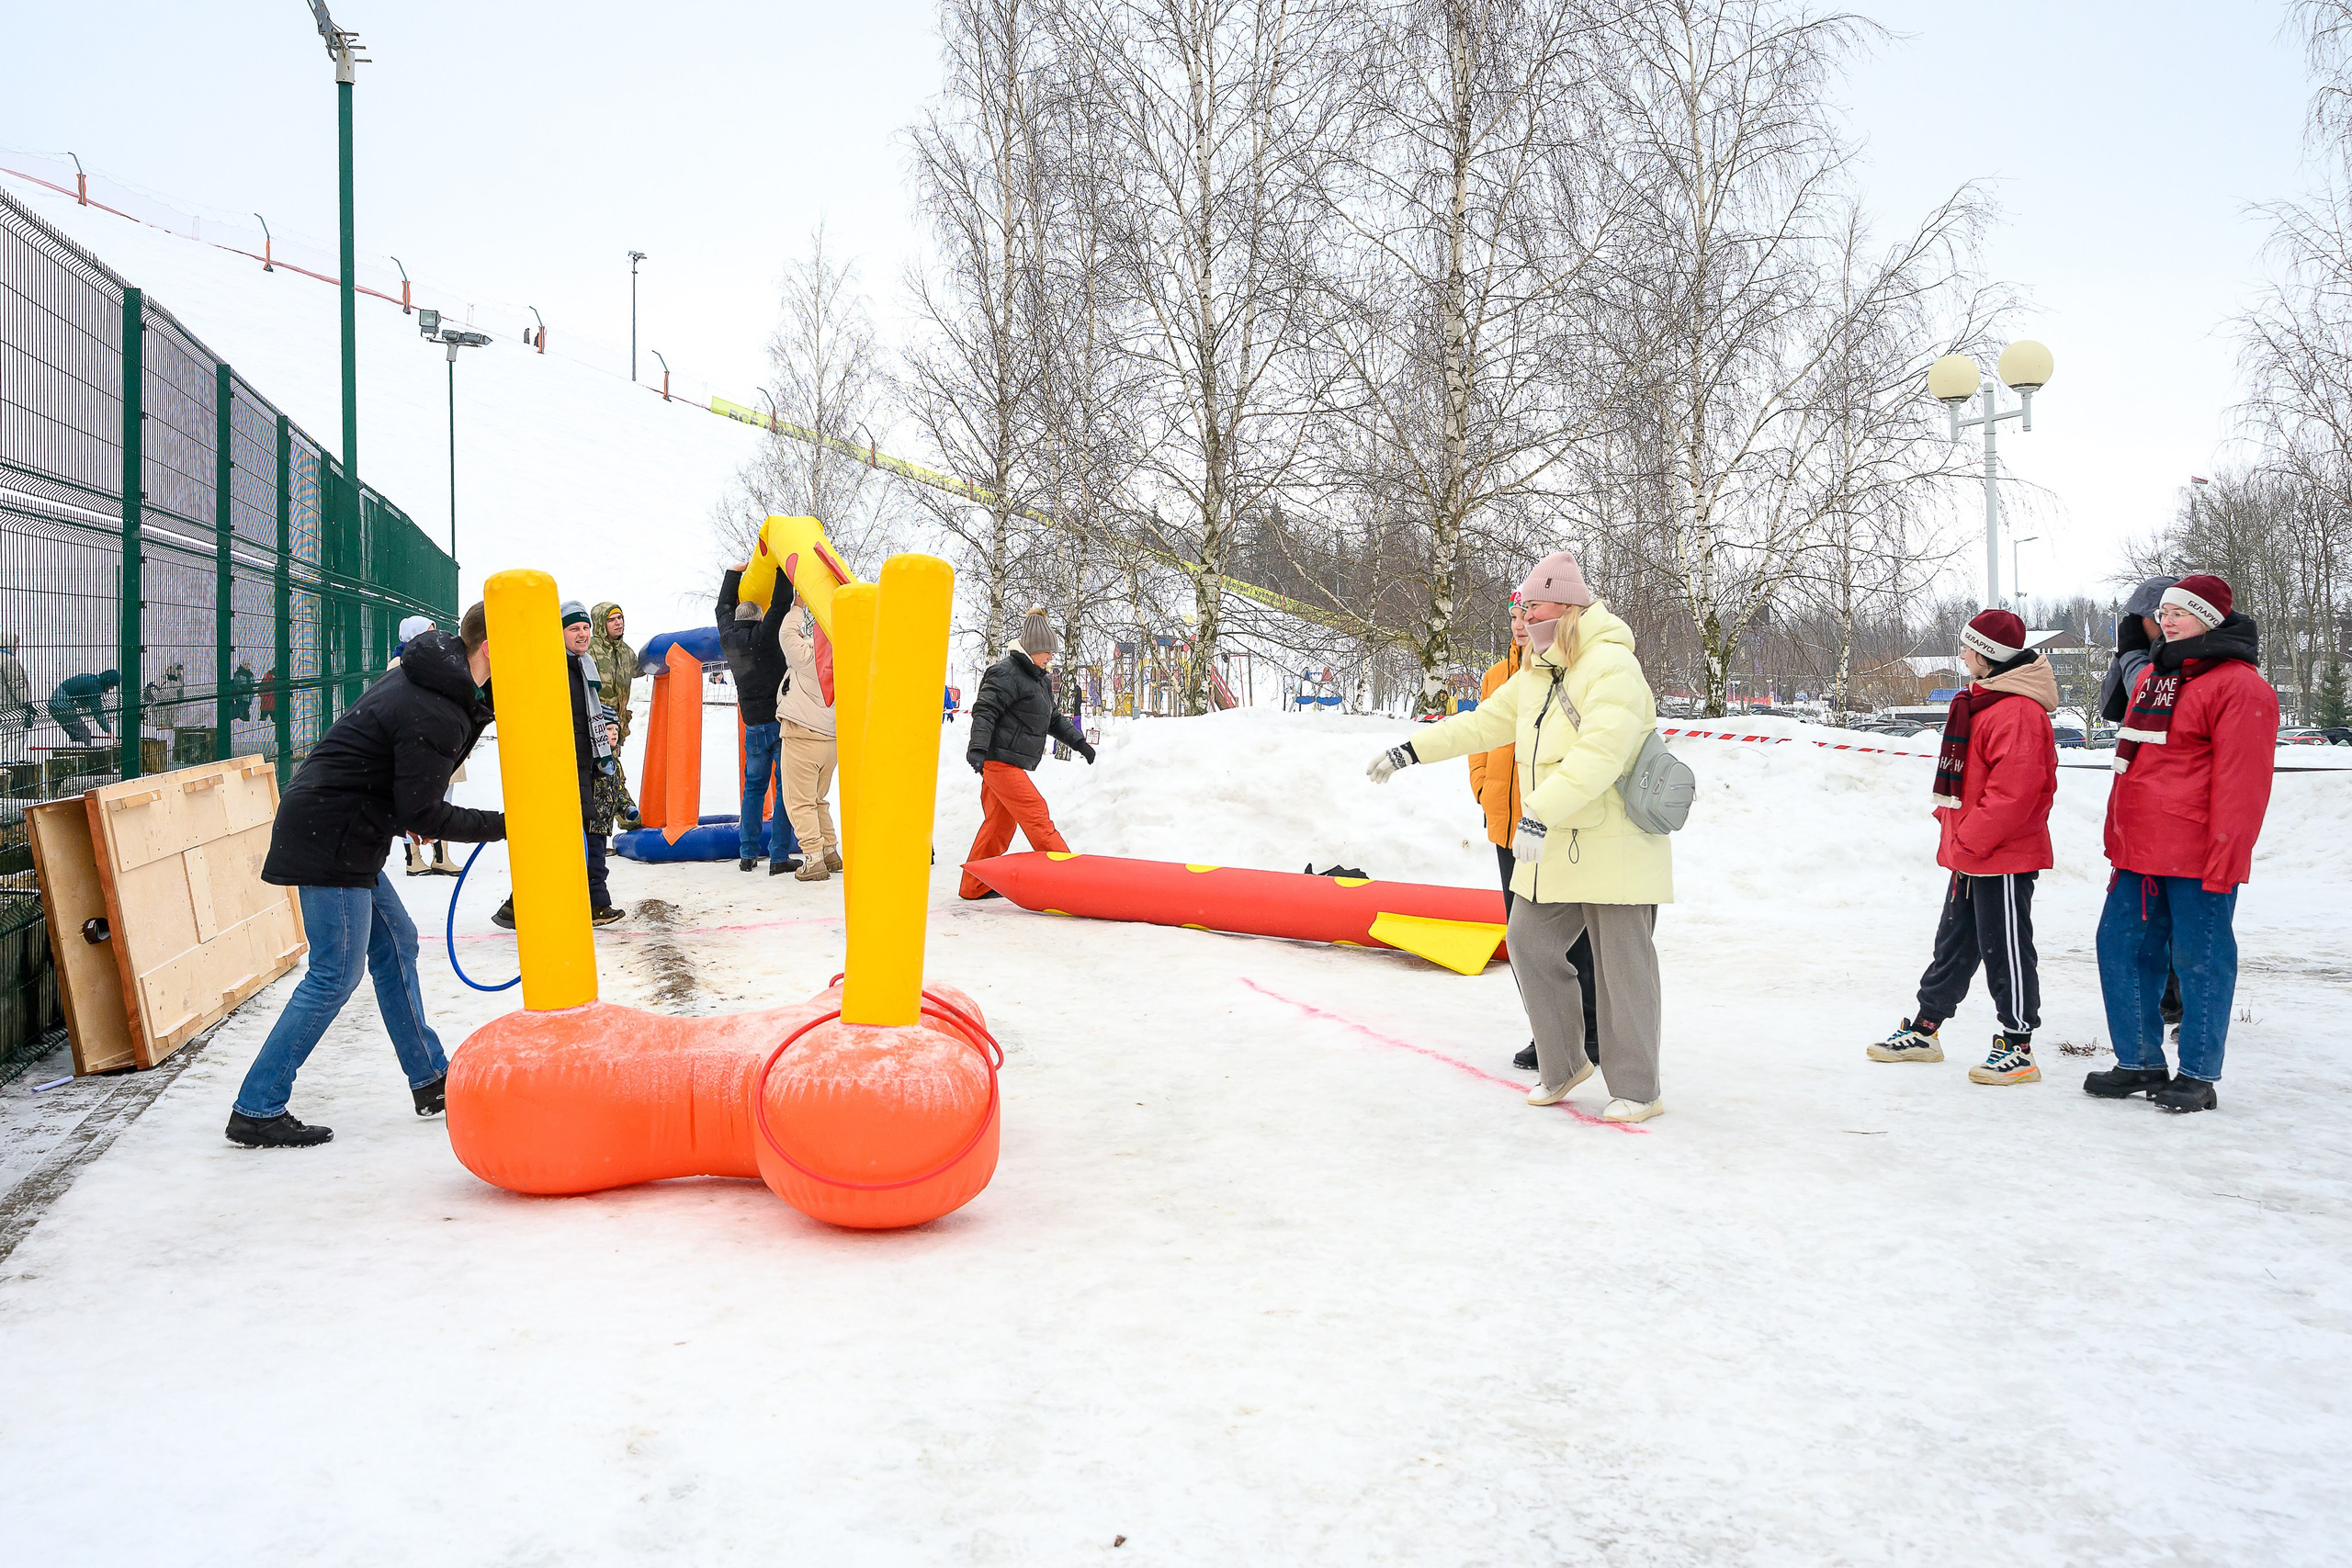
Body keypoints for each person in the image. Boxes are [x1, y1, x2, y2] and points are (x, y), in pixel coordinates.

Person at [1367, 552, 1670, 1122]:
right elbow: (1480, 723)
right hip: (1561, 842)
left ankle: (1639, 1088)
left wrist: (1538, 813)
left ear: (1566, 607)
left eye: (1532, 605)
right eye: (1522, 607)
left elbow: (1600, 753)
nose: (1523, 616)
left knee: (1621, 965)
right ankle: (1564, 1065)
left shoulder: (1612, 668)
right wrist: (1411, 750)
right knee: (1529, 940)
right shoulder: (1537, 673)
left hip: (1616, 842)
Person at [227, 607, 506, 1147]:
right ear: (492, 647)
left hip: (342, 827)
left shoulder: (431, 678)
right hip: (332, 835)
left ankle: (430, 1078)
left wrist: (409, 812)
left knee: (395, 941)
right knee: (334, 974)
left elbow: (401, 788)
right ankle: (257, 1107)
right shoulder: (436, 705)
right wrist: (506, 825)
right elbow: (423, 813)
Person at [2088, 574, 2278, 1114]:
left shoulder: (2241, 687)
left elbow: (2244, 787)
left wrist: (2227, 857)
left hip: (2198, 855)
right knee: (2120, 948)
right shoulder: (2156, 676)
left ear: (2211, 621)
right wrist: (2118, 836)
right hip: (2140, 852)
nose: (2166, 620)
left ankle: (2197, 1072)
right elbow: (2137, 764)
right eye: (2164, 611)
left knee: (2202, 959)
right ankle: (2141, 1059)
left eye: (2181, 612)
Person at [1867, 610, 2059, 1085]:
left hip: (2001, 856)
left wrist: (1969, 836)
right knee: (1953, 946)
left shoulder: (2018, 712)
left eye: (1969, 647)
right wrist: (1952, 824)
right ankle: (1925, 1029)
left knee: (2007, 950)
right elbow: (1972, 783)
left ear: (1989, 657)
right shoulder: (1982, 703)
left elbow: (2015, 794)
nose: (1962, 654)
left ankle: (2018, 1046)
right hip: (1973, 853)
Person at [1471, 594, 1601, 1076]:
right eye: (1514, 617)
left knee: (1571, 937)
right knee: (1521, 935)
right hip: (1506, 828)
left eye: (1530, 616)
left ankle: (1590, 1031)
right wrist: (1484, 790)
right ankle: (1546, 1032)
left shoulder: (1564, 671)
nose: (1521, 625)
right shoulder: (1494, 678)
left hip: (1551, 826)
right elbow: (1477, 742)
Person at [492, 603, 625, 925]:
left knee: (582, 833)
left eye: (584, 628)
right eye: (573, 629)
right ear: (559, 633)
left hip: (585, 763)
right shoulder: (555, 669)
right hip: (563, 766)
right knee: (571, 836)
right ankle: (570, 902)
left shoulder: (582, 665)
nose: (582, 634)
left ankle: (534, 902)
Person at [957, 609, 1097, 900]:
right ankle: (1073, 883)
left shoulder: (1038, 680)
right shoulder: (1006, 673)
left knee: (998, 826)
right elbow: (985, 711)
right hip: (998, 762)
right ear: (1032, 649)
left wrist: (1079, 743)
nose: (1050, 657)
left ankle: (975, 885)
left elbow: (1053, 719)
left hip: (1009, 762)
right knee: (1037, 817)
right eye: (1047, 651)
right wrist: (978, 748)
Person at [2098, 574, 2186, 1034]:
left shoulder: (2174, 662)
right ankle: (2170, 998)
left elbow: (2146, 691)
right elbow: (2117, 704)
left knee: (2176, 921)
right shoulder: (2154, 654)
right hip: (2150, 807)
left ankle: (2180, 1000)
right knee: (2156, 918)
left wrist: (2132, 654)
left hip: (2174, 809)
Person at [716, 567, 795, 872]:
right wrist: (782, 568)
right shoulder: (764, 635)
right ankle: (778, 857)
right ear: (759, 619)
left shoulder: (727, 638)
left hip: (752, 726)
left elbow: (722, 608)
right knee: (784, 787)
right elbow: (780, 604)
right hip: (780, 721)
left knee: (754, 789)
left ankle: (747, 854)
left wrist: (733, 574)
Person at [775, 603, 842, 881]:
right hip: (830, 739)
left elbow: (787, 635)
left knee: (799, 802)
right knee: (818, 799)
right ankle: (829, 852)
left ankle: (813, 858)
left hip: (802, 735)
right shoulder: (845, 657)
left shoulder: (808, 657)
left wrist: (796, 608)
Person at [588, 601, 642, 829]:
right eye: (611, 619)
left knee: (610, 774)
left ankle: (621, 819)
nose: (618, 622)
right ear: (601, 623)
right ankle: (625, 818)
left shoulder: (626, 652)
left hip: (616, 728)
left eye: (620, 618)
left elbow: (644, 669)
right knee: (603, 776)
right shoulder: (589, 650)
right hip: (594, 727)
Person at [47, 669, 119, 745]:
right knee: (84, 734)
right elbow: (98, 713)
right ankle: (85, 754)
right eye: (112, 685)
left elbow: (79, 691)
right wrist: (109, 731)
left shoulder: (91, 679)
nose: (112, 688)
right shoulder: (95, 688)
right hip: (61, 706)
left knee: (78, 733)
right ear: (107, 681)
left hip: (57, 704)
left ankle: (78, 751)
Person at [0, 633, 31, 762]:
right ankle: (9, 760)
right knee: (19, 731)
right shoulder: (8, 660)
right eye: (16, 643)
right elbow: (17, 685)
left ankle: (1, 760)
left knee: (3, 734)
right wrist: (27, 704)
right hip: (11, 704)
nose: (17, 646)